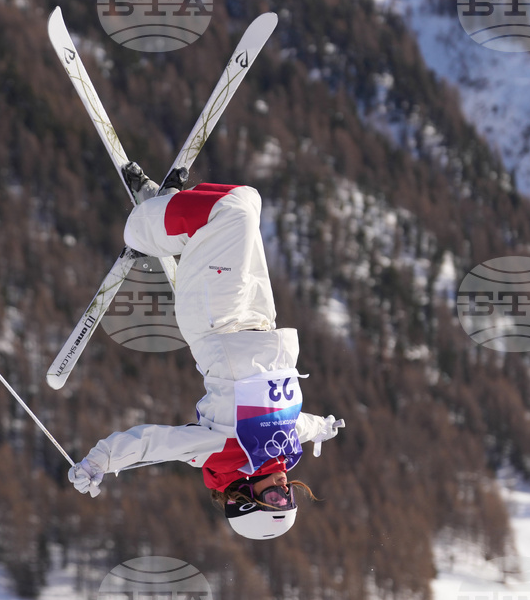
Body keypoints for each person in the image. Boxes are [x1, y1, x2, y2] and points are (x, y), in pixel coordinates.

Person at [68, 163, 345, 540]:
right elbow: (304, 423)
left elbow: (152, 443)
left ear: (245, 498)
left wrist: (99, 461)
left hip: (217, 320)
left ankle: (142, 226)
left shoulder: (220, 453)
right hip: (262, 319)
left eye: (277, 500)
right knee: (250, 203)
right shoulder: (284, 448)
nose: (285, 488)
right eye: (290, 497)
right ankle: (168, 209)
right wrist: (324, 429)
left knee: (234, 209)